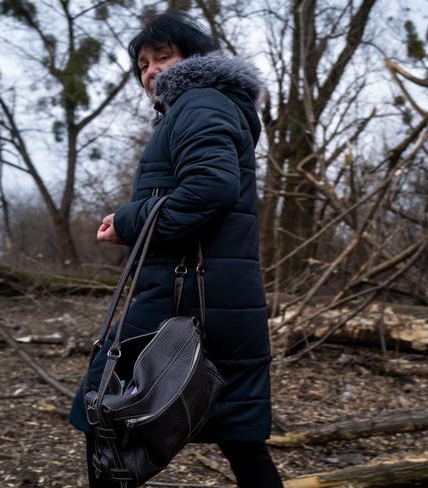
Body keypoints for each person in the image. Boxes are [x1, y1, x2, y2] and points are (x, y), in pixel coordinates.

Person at [69, 11, 283, 488]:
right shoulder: (207, 106)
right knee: (240, 432)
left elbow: (209, 189)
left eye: (162, 57)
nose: (150, 71)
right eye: (142, 64)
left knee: (101, 408)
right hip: (217, 298)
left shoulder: (201, 102)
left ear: (195, 59)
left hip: (184, 299)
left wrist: (127, 221)